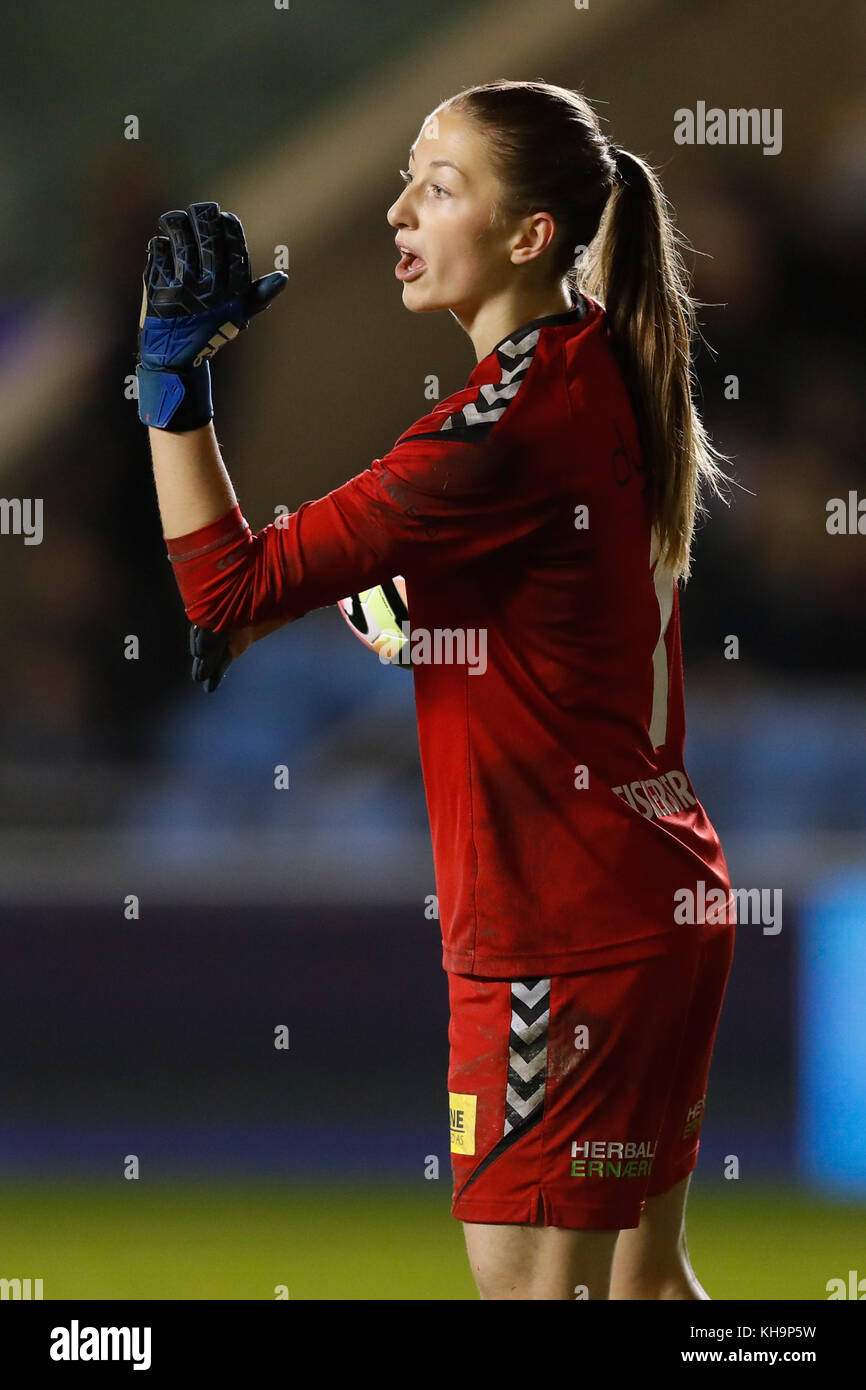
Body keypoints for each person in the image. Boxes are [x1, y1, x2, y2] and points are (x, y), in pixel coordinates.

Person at [136, 79, 736, 1301]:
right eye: (408, 174)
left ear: (529, 237)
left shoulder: (493, 427)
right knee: (646, 1292)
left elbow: (224, 587)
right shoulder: (594, 368)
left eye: (442, 185)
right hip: (654, 899)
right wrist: (373, 605)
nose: (402, 207)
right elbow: (506, 620)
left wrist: (170, 386)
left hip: (557, 938)